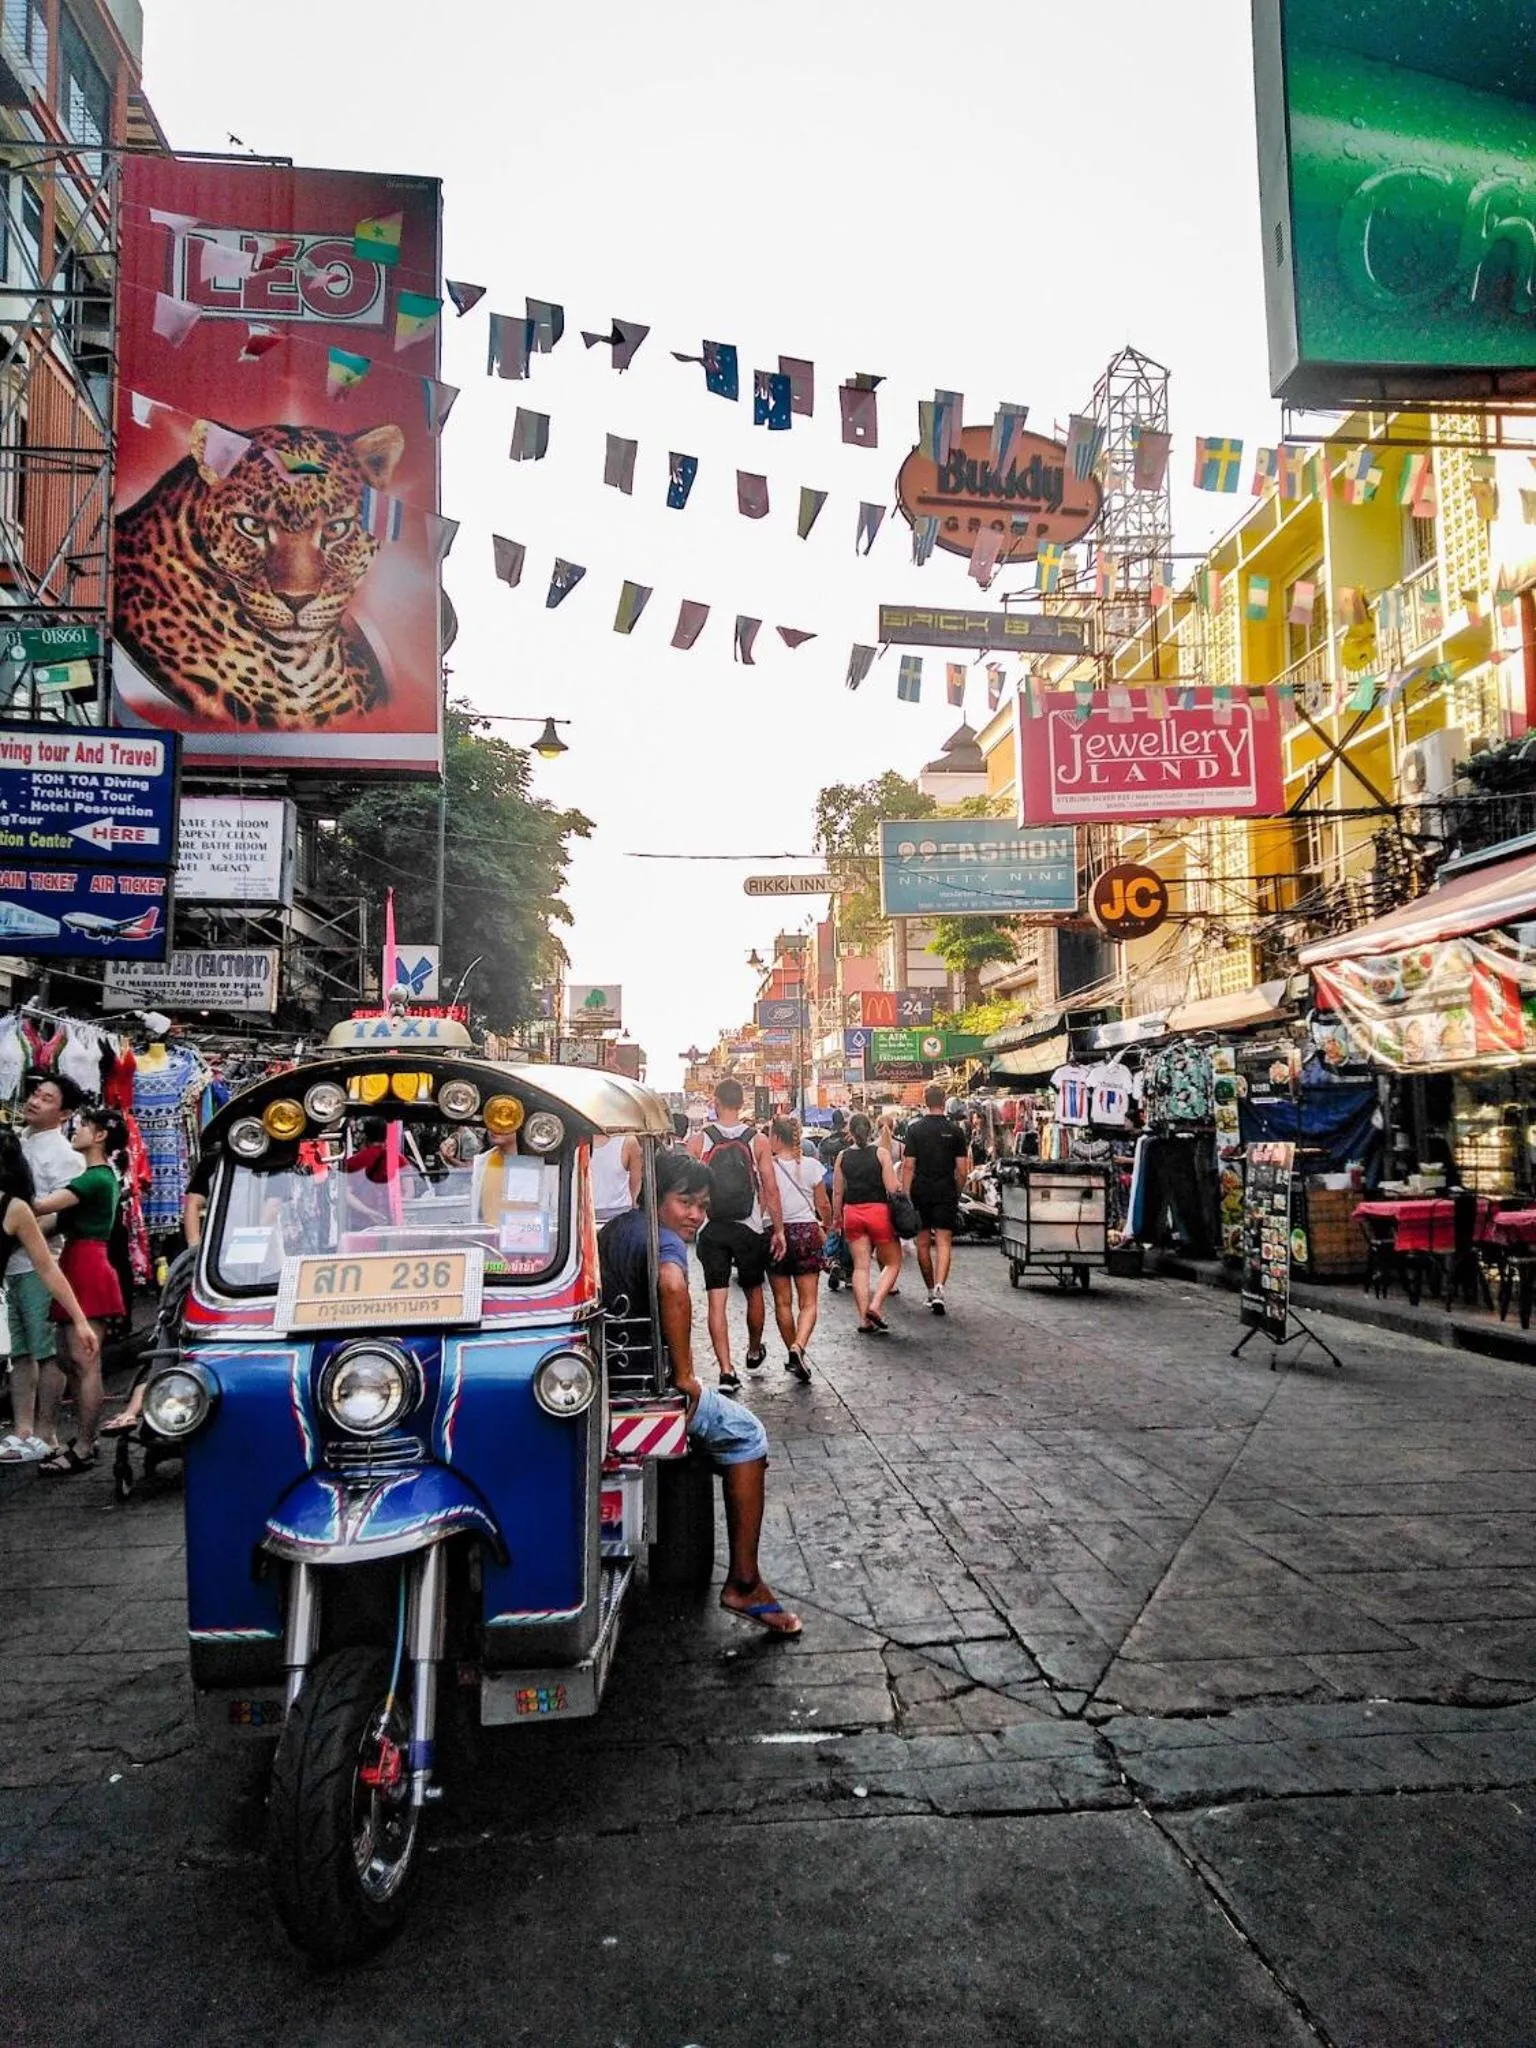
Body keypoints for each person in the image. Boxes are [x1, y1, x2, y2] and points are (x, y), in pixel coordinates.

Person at [598, 1149, 800, 1636]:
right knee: (747, 1434)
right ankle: (745, 1582)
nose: (695, 1215)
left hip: (610, 1376)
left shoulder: (615, 1229)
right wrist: (685, 1376)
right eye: (685, 1202)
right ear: (657, 1198)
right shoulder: (661, 1240)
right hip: (645, 1387)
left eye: (702, 1205)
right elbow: (671, 1283)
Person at [32, 1104, 127, 1476]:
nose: (78, 1129)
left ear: (100, 1135)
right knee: (68, 1358)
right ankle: (85, 1438)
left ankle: (85, 1445)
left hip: (87, 1265)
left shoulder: (95, 1178)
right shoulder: (96, 1179)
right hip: (77, 1262)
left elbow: (41, 1206)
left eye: (84, 1125)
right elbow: (46, 1225)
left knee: (84, 1361)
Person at [0, 1072, 87, 1463]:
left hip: (40, 1259)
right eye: (35, 1094)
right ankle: (22, 1430)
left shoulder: (66, 1156)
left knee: (46, 1350)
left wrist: (23, 1231)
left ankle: (47, 1431)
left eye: (47, 1098)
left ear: (64, 1112)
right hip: (10, 1263)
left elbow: (65, 1213)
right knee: (19, 1352)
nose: (35, 1101)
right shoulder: (15, 1139)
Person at [686, 1079, 785, 1393]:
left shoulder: (699, 1140)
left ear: (715, 1101)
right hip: (749, 1226)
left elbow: (686, 1189)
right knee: (754, 1291)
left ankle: (726, 1371)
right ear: (742, 1103)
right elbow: (770, 1188)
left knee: (717, 1299)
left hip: (711, 1228)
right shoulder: (757, 1140)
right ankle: (754, 1351)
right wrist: (778, 1229)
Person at [766, 1116, 831, 1383]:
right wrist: (826, 1226)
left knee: (783, 1302)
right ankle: (798, 1347)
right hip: (806, 1232)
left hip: (775, 1233)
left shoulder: (767, 1167)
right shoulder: (812, 1166)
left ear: (777, 1138)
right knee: (809, 1302)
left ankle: (792, 1349)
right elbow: (823, 1205)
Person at [831, 1112, 902, 1335]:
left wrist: (836, 1218)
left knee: (860, 1267)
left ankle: (864, 1319)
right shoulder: (881, 1154)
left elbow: (837, 1191)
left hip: (852, 1213)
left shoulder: (842, 1157)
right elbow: (892, 1188)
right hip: (878, 1212)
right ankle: (876, 1305)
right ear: (870, 1130)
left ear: (849, 1132)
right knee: (892, 1262)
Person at [903, 1084, 970, 1315]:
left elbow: (908, 1165)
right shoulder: (956, 1131)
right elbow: (962, 1170)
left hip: (920, 1191)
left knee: (923, 1243)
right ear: (944, 1101)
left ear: (925, 1100)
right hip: (945, 1191)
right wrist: (957, 1190)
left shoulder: (915, 1129)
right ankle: (941, 1289)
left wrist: (905, 1194)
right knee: (944, 1242)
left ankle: (930, 1290)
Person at [590, 1130, 642, 1224]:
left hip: (619, 1217)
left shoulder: (628, 1141)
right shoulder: (569, 1139)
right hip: (578, 1214)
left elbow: (636, 1186)